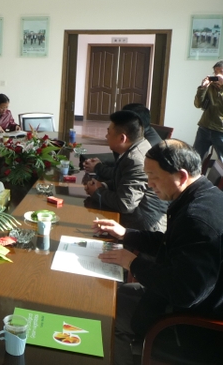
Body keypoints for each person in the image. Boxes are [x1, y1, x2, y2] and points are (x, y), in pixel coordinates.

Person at [95, 140, 223, 365]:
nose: (148, 183)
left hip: (188, 326)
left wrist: (133, 263)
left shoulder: (197, 219)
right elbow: (171, 244)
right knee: (111, 295)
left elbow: (186, 293)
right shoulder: (203, 196)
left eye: (153, 176)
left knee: (105, 314)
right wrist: (126, 234)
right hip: (178, 300)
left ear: (181, 176)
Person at [84, 110, 167, 231]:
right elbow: (124, 180)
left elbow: (125, 204)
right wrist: (103, 185)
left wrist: (98, 192)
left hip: (143, 228)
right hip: (135, 217)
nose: (106, 136)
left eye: (109, 133)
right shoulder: (137, 147)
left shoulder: (135, 160)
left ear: (122, 138)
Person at [84, 103, 162, 181]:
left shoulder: (145, 149)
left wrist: (97, 167)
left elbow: (123, 174)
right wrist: (101, 164)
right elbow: (121, 166)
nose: (106, 136)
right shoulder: (139, 137)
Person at [193, 60, 223, 160]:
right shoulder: (210, 86)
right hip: (204, 127)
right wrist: (203, 88)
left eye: (221, 72)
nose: (218, 75)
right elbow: (198, 105)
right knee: (196, 159)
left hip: (220, 130)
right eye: (216, 72)